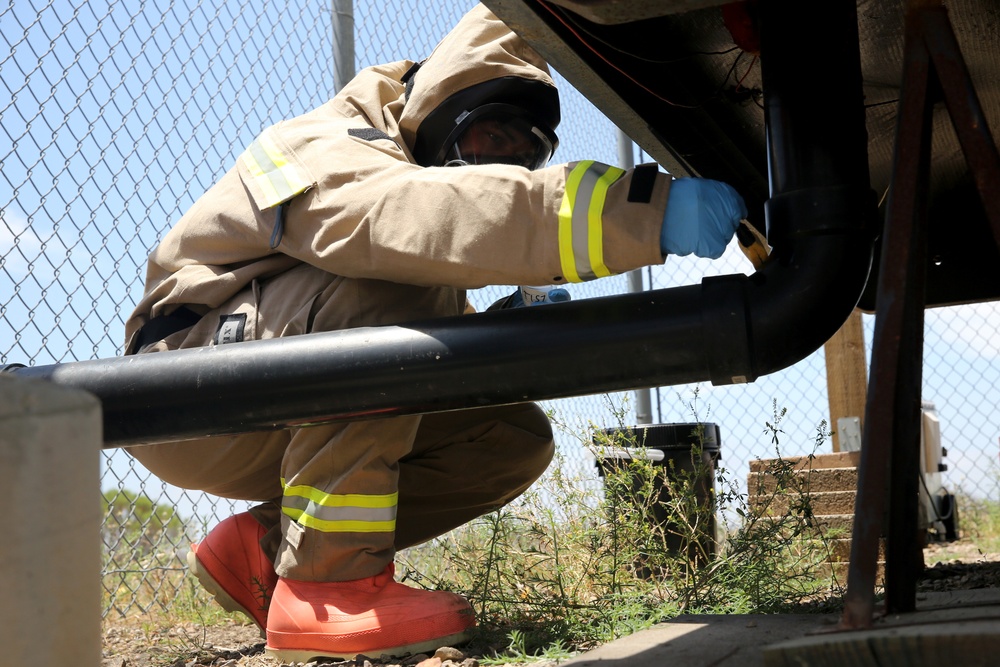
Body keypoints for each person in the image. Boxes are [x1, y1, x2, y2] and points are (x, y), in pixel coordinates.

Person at [122, 3, 746, 663]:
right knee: (392, 268)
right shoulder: (324, 141)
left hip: (272, 387)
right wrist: (637, 212)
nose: (501, 169)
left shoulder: (401, 178)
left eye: (524, 156)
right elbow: (393, 225)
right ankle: (327, 590)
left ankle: (264, 554)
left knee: (508, 436)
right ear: (441, 112)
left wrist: (488, 339)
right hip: (184, 387)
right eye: (490, 141)